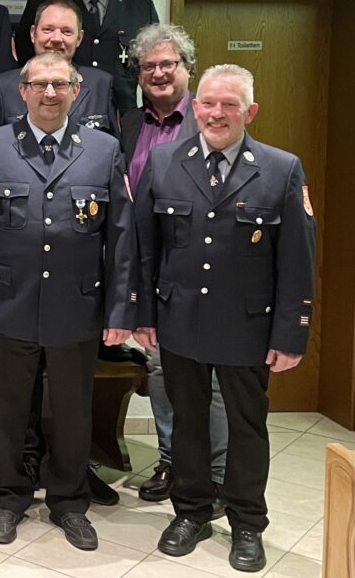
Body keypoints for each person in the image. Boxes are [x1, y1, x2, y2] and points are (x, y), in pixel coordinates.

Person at [135, 64, 315, 572]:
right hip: (179, 320)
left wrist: (291, 333)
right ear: (195, 107)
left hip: (246, 325)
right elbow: (145, 248)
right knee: (187, 422)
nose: (217, 113)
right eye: (209, 103)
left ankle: (247, 522)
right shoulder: (166, 161)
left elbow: (298, 260)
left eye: (229, 104)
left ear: (249, 111)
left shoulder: (281, 168)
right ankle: (191, 511)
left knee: (246, 426)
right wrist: (143, 314)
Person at [0, 53, 136, 551]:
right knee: (8, 409)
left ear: (76, 90)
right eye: (40, 85)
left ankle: (69, 501)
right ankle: (9, 499)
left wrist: (121, 310)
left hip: (78, 306)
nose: (50, 93)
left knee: (74, 411)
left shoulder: (103, 149)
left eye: (60, 85)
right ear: (23, 90)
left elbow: (121, 237)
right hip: (9, 303)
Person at [121, 24, 227, 507]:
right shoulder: (126, 123)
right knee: (161, 367)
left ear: (188, 68)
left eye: (169, 65)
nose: (159, 73)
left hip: (197, 261)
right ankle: (170, 459)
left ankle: (217, 472)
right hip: (146, 261)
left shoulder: (208, 120)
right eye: (149, 67)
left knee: (211, 373)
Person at [14, 0, 159, 115]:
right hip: (57, 115)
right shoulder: (42, 5)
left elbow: (153, 75)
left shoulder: (141, 9)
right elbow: (26, 67)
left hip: (122, 121)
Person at [0, 0, 116, 134]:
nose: (56, 39)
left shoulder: (100, 84)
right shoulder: (3, 87)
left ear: (79, 38)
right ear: (33, 34)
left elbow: (113, 149)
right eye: (48, 29)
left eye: (66, 31)